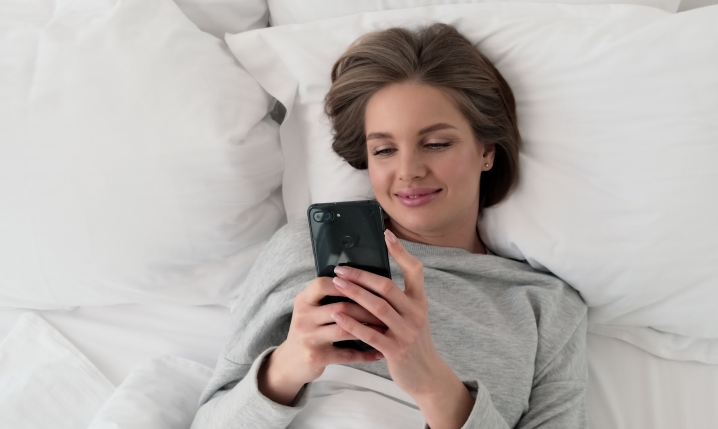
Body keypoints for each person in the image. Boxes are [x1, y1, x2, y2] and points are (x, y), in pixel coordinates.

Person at [191, 23, 588, 429]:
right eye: (384, 150)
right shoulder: (305, 249)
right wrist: (288, 365)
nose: (409, 171)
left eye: (436, 143)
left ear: (486, 150)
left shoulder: (546, 307)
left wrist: (433, 383)